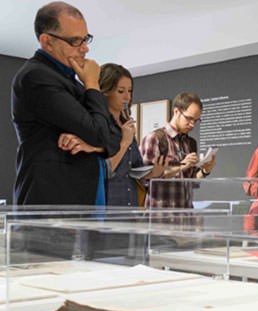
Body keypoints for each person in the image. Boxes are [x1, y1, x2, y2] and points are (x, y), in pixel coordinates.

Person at [11, 1, 121, 206]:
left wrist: (93, 147)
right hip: (53, 203)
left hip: (83, 201)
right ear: (47, 41)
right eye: (75, 41)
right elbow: (100, 133)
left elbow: (115, 134)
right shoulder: (36, 76)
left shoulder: (71, 81)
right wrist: (92, 83)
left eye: (86, 39)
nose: (85, 48)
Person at [99, 63, 166, 206]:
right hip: (107, 209)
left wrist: (154, 172)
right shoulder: (99, 125)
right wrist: (124, 143)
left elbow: (134, 170)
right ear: (105, 91)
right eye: (121, 91)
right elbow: (101, 172)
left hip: (130, 206)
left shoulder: (127, 125)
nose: (127, 97)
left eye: (130, 91)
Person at [139, 92, 216, 208]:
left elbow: (192, 182)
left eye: (196, 120)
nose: (192, 124)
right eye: (189, 118)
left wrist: (205, 171)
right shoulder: (155, 138)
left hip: (185, 217)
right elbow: (144, 178)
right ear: (176, 112)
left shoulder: (191, 143)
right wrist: (181, 166)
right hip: (160, 218)